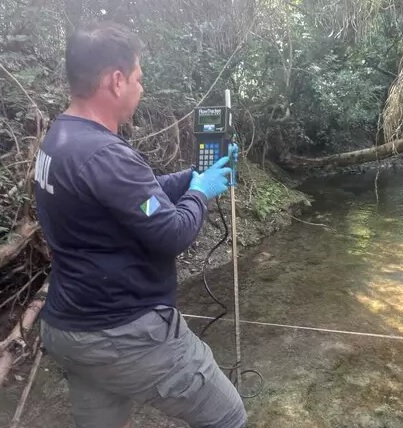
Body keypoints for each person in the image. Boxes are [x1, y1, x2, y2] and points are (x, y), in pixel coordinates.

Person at [34, 21, 247, 428]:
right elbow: (171, 232)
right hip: (123, 334)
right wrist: (201, 193)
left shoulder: (60, 138)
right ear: (116, 81)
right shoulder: (103, 154)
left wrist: (193, 176)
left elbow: (134, 199)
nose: (141, 88)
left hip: (71, 329)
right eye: (138, 78)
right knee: (227, 416)